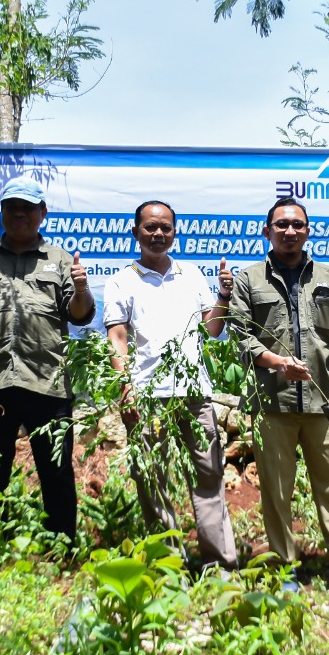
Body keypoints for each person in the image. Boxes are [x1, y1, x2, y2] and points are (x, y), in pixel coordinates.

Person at [0, 176, 95, 545]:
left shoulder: (60, 261)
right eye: (12, 207)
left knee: (56, 471)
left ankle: (62, 547)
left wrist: (80, 288)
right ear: (2, 212)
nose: (19, 213)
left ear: (42, 213)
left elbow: (80, 316)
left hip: (48, 382)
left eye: (27, 207)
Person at [229, 197, 329, 589]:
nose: (290, 231)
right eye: (282, 225)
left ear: (308, 231)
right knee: (276, 489)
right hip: (273, 401)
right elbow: (241, 335)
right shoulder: (249, 280)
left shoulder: (328, 276)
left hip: (322, 400)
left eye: (298, 225)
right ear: (267, 231)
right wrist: (276, 362)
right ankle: (284, 563)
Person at [103, 200, 238, 570]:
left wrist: (224, 296)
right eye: (150, 227)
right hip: (147, 394)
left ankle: (219, 564)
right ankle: (168, 564)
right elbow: (118, 338)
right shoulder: (121, 281)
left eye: (165, 228)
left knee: (208, 475)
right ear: (136, 232)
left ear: (175, 233)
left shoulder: (191, 275)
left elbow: (213, 329)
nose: (158, 234)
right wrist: (125, 387)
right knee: (153, 479)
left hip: (194, 394)